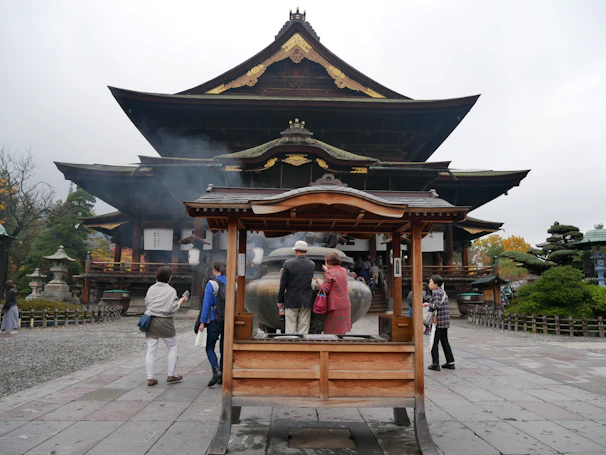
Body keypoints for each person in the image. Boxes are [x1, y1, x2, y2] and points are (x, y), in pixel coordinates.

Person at [144, 266, 188, 386]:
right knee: (172, 347)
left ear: (157, 276)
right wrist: (181, 301)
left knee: (151, 350)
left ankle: (150, 377)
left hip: (151, 320)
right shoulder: (171, 290)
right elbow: (171, 309)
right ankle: (171, 374)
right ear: (169, 278)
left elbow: (146, 302)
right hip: (165, 322)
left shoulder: (151, 288)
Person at [199, 260, 227, 387]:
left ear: (214, 270)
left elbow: (206, 305)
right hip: (228, 320)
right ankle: (223, 374)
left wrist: (202, 322)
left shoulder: (212, 284)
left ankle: (216, 370)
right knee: (224, 348)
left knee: (209, 347)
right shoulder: (234, 283)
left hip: (214, 319)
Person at [278, 240, 315, 334]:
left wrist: (280, 300)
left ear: (296, 250)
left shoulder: (288, 263)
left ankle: (291, 346)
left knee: (290, 326)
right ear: (306, 251)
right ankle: (303, 346)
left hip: (291, 298)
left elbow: (283, 284)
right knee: (304, 325)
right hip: (306, 298)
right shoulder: (312, 264)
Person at [423, 275, 455, 371]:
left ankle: (435, 363)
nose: (429, 284)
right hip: (445, 320)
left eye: (431, 282)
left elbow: (436, 306)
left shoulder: (436, 292)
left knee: (434, 342)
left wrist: (428, 304)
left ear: (436, 284)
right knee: (444, 341)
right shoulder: (443, 292)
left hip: (438, 321)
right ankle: (450, 362)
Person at [317, 252, 352, 334]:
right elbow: (336, 275)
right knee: (342, 328)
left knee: (333, 329)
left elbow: (325, 289)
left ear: (329, 262)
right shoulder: (343, 270)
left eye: (326, 261)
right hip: (345, 302)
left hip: (335, 304)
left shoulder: (329, 273)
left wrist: (319, 282)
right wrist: (328, 270)